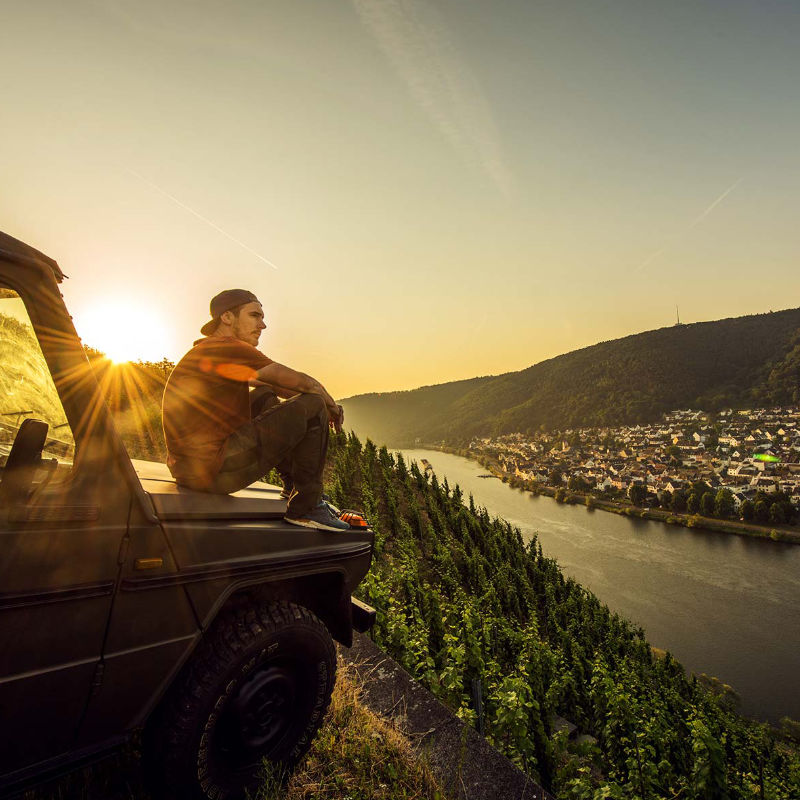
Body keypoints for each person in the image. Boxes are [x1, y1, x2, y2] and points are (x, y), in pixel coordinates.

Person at [162, 288, 350, 532]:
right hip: (213, 471)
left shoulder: (209, 350)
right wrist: (329, 407)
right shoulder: (226, 347)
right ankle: (307, 508)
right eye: (255, 315)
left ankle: (292, 486)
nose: (263, 325)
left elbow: (275, 386)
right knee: (313, 404)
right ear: (227, 317)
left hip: (190, 470)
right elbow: (306, 384)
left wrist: (318, 404)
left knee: (265, 396)